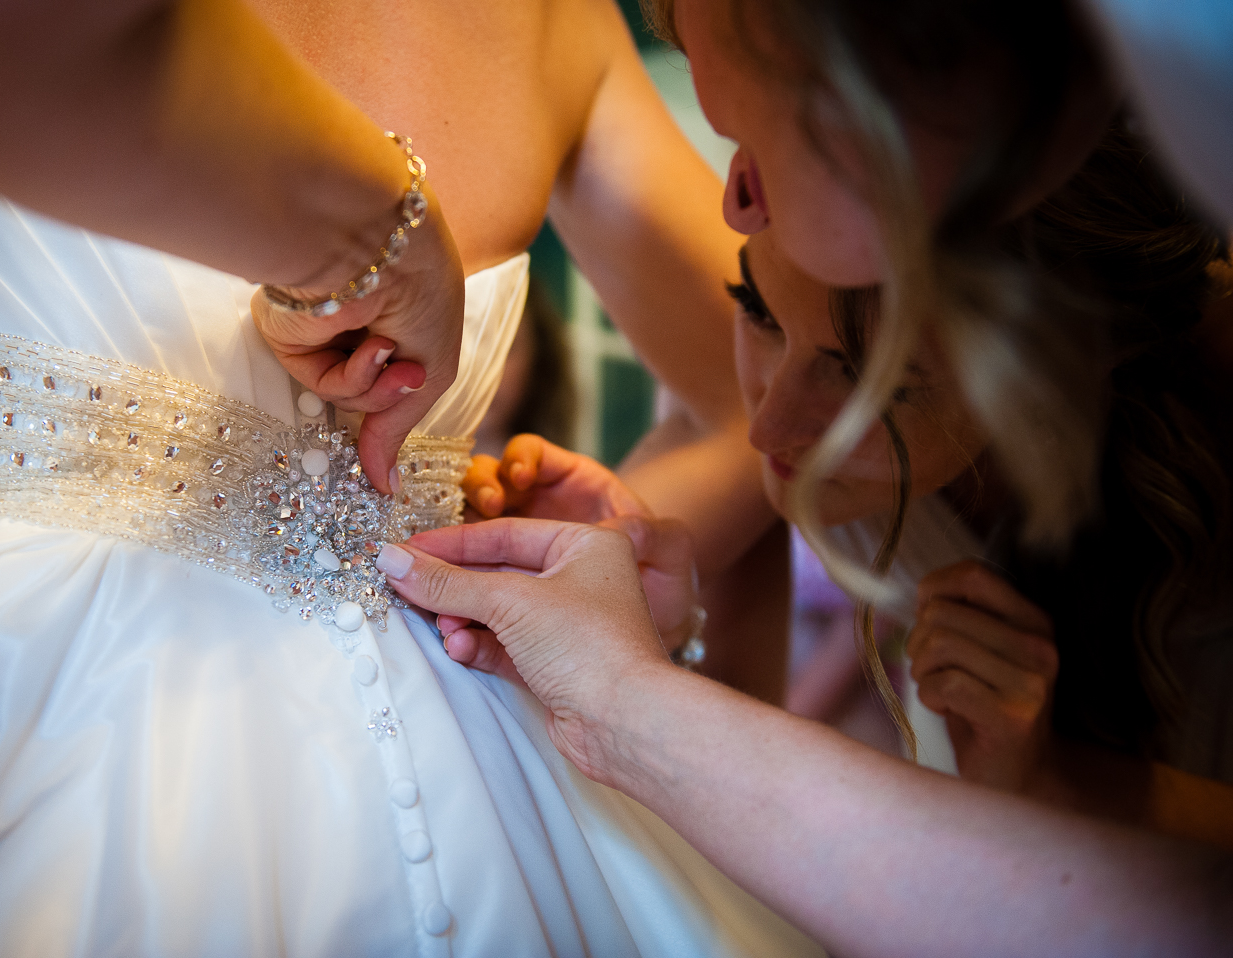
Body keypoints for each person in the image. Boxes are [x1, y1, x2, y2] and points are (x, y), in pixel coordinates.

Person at [0, 1, 824, 956]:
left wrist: (545, 565)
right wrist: (372, 235)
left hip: (499, 770)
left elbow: (773, 395)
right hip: (6, 738)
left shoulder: (547, 18)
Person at [384, 123, 1233, 954]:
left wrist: (1042, 781)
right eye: (757, 309)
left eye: (877, 380)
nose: (770, 425)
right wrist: (666, 626)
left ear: (1063, 365)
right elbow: (738, 831)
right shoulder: (800, 449)